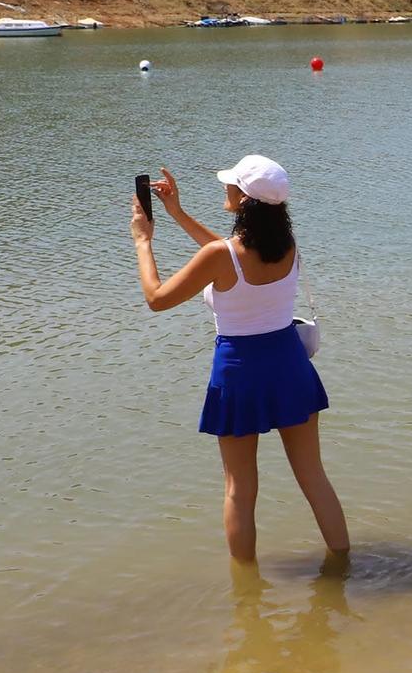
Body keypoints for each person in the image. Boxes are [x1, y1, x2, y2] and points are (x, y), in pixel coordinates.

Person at [131, 155, 350, 562]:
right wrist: (178, 213)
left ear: (245, 199)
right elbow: (229, 255)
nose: (225, 187)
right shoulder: (286, 245)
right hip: (290, 367)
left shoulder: (223, 256)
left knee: (240, 489)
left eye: (231, 184)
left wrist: (143, 242)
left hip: (240, 374)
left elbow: (157, 298)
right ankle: (343, 563)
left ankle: (246, 590)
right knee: (314, 478)